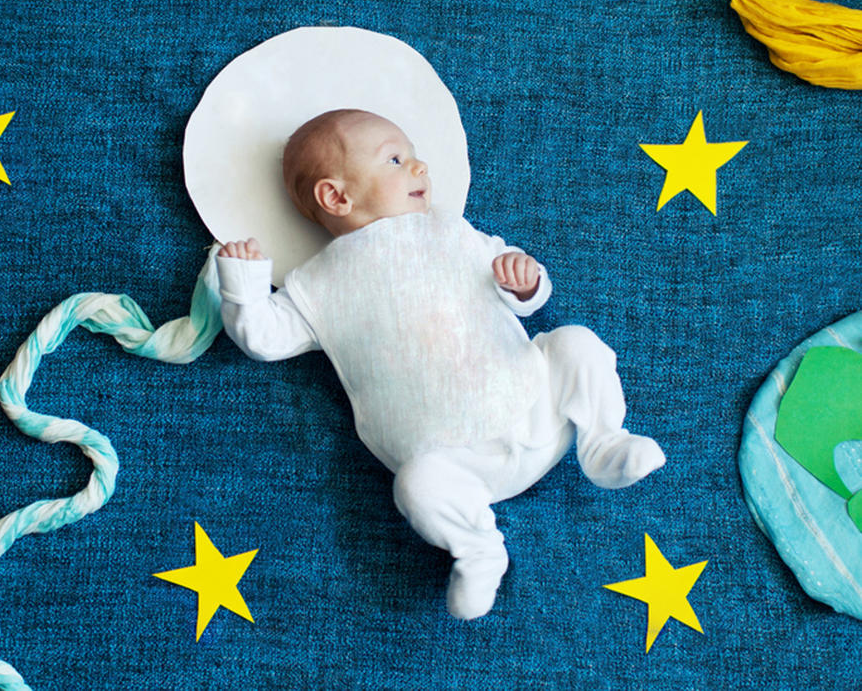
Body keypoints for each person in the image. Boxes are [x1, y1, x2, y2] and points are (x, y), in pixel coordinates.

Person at [215, 109, 664, 620]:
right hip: (455, 466)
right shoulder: (318, 283)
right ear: (336, 196)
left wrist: (524, 281)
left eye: (414, 156)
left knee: (574, 343)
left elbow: (521, 289)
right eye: (396, 158)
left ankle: (602, 439)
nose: (421, 167)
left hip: (540, 408)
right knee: (414, 484)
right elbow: (264, 338)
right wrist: (244, 285)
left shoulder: (452, 231)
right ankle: (478, 549)